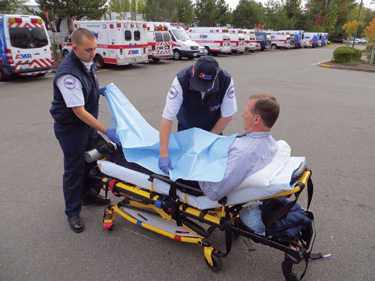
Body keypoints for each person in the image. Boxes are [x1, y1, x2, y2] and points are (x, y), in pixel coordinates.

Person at [50, 28, 120, 233]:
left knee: (92, 162)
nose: (93, 53)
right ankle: (72, 211)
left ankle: (87, 195)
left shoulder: (88, 62)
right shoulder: (68, 74)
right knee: (74, 169)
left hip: (86, 126)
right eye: (88, 50)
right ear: (74, 48)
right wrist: (106, 131)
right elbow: (79, 111)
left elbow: (87, 84)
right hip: (71, 129)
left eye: (95, 49)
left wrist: (97, 90)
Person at [159, 56, 237, 174]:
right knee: (185, 168)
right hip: (186, 130)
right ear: (194, 70)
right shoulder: (181, 80)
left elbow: (227, 116)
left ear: (216, 75)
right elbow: (167, 119)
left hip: (212, 132)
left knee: (208, 170)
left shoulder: (226, 80)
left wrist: (207, 140)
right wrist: (163, 153)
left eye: (206, 86)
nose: (203, 90)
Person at [198, 94, 280, 201]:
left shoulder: (243, 154)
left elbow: (213, 192)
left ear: (256, 119)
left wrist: (199, 162)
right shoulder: (271, 143)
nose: (242, 115)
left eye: (246, 113)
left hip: (207, 175)